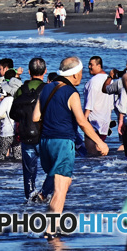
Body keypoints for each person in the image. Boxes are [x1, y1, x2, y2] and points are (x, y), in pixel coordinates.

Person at [31, 56, 109, 222]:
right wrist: (100, 142)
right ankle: (51, 230)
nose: (82, 76)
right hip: (63, 143)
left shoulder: (46, 88)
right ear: (74, 75)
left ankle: (43, 200)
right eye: (81, 73)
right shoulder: (71, 93)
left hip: (45, 142)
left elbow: (35, 117)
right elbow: (82, 122)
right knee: (61, 189)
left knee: (60, 181)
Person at [10, 57, 50, 200]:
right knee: (51, 168)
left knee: (29, 171)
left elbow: (13, 114)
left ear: (28, 71)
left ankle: (30, 198)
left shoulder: (21, 90)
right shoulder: (48, 89)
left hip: (26, 134)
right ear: (45, 71)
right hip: (44, 135)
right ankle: (45, 194)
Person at [82, 56, 116, 156]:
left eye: (91, 65)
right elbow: (111, 102)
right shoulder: (110, 80)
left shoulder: (93, 81)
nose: (88, 67)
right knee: (100, 152)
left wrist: (84, 119)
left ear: (99, 65)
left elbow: (90, 102)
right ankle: (103, 170)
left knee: (91, 154)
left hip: (93, 122)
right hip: (104, 121)